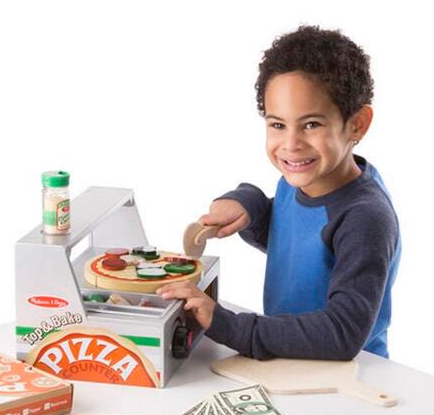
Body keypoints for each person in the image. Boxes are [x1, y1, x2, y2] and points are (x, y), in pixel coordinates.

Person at [157, 25, 401, 361]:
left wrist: (228, 325)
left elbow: (342, 333)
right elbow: (294, 240)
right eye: (277, 125)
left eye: (311, 124)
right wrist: (248, 204)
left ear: (357, 124)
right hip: (293, 362)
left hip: (353, 376)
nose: (291, 144)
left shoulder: (365, 218)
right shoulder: (297, 182)